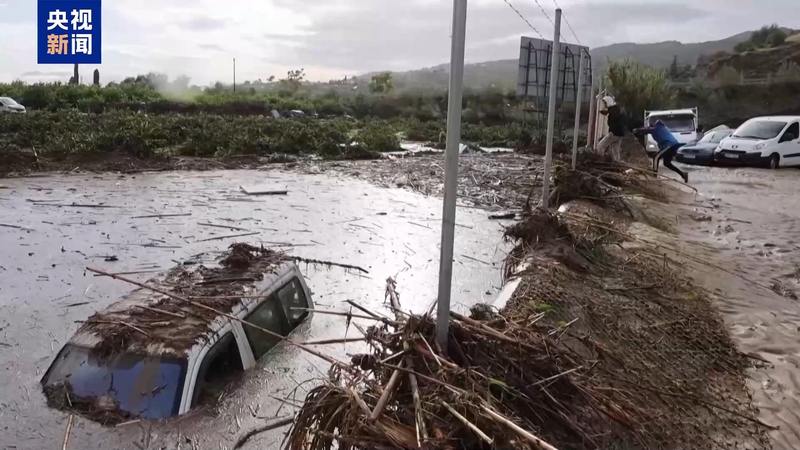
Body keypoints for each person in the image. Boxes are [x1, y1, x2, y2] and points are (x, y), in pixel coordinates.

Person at [596, 95, 625, 161]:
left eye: (605, 103)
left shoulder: (613, 110)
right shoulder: (616, 109)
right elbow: (609, 113)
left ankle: (600, 160)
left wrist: (604, 112)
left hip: (614, 133)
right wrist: (604, 112)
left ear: (608, 102)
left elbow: (611, 114)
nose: (605, 105)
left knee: (600, 146)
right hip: (620, 134)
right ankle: (617, 164)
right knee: (615, 150)